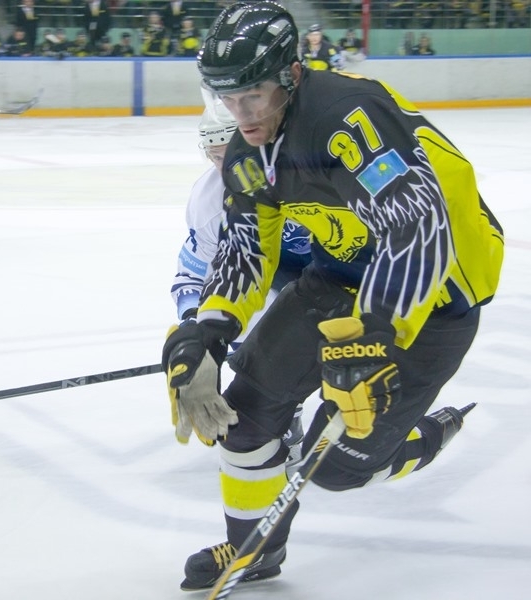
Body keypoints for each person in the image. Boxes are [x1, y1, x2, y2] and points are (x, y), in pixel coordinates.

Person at [162, 0, 504, 591]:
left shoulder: (348, 117)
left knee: (339, 463)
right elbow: (246, 251)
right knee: (244, 416)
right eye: (227, 98)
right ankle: (253, 549)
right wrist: (208, 329)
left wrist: (377, 333)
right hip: (340, 275)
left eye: (253, 96)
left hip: (439, 294)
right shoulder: (248, 154)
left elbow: (418, 227)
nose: (241, 116)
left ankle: (420, 438)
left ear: (292, 74)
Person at [172, 107, 312, 461]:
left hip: (344, 270)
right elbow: (193, 277)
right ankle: (283, 405)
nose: (228, 167)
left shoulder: (313, 172)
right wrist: (194, 335)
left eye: (235, 151)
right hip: (274, 279)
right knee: (244, 317)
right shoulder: (209, 202)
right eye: (216, 156)